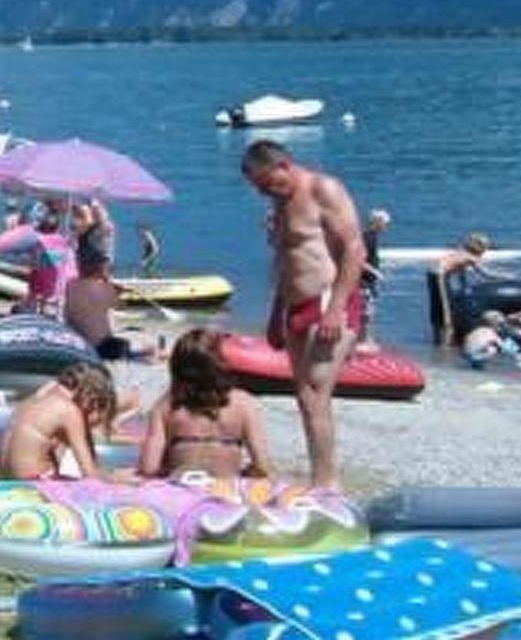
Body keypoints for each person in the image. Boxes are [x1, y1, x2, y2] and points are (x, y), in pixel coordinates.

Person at [241, 139, 366, 490]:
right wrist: (275, 314)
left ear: (284, 165)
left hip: (327, 300)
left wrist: (336, 308)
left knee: (313, 394)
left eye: (268, 183)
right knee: (305, 396)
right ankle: (320, 476)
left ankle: (327, 483)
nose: (265, 192)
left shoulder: (323, 189)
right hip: (295, 305)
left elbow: (354, 249)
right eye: (259, 187)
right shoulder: (280, 205)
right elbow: (286, 262)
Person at [138, 329, 275, 481]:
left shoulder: (166, 406)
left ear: (176, 368)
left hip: (181, 485)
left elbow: (148, 468)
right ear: (220, 363)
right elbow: (263, 467)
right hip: (224, 486)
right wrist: (246, 473)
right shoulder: (243, 403)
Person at [0, 362, 118, 480]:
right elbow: (90, 475)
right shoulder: (69, 410)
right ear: (93, 398)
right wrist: (119, 478)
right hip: (33, 486)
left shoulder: (32, 401)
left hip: (5, 483)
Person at [63, 247, 154, 361]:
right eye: (107, 269)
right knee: (142, 345)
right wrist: (116, 289)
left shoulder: (69, 285)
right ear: (100, 269)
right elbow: (121, 306)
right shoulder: (103, 288)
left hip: (80, 344)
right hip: (102, 346)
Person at [0, 203, 77, 318]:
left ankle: (34, 310)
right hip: (63, 288)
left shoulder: (37, 240)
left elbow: (7, 246)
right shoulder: (63, 243)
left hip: (47, 289)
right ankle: (40, 310)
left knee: (36, 286)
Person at [358, 208, 390, 340]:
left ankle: (364, 338)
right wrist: (375, 272)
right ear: (379, 223)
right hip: (364, 281)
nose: (386, 227)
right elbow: (359, 260)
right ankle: (364, 339)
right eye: (385, 224)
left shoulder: (370, 237)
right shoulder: (369, 238)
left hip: (367, 281)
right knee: (365, 313)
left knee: (367, 312)